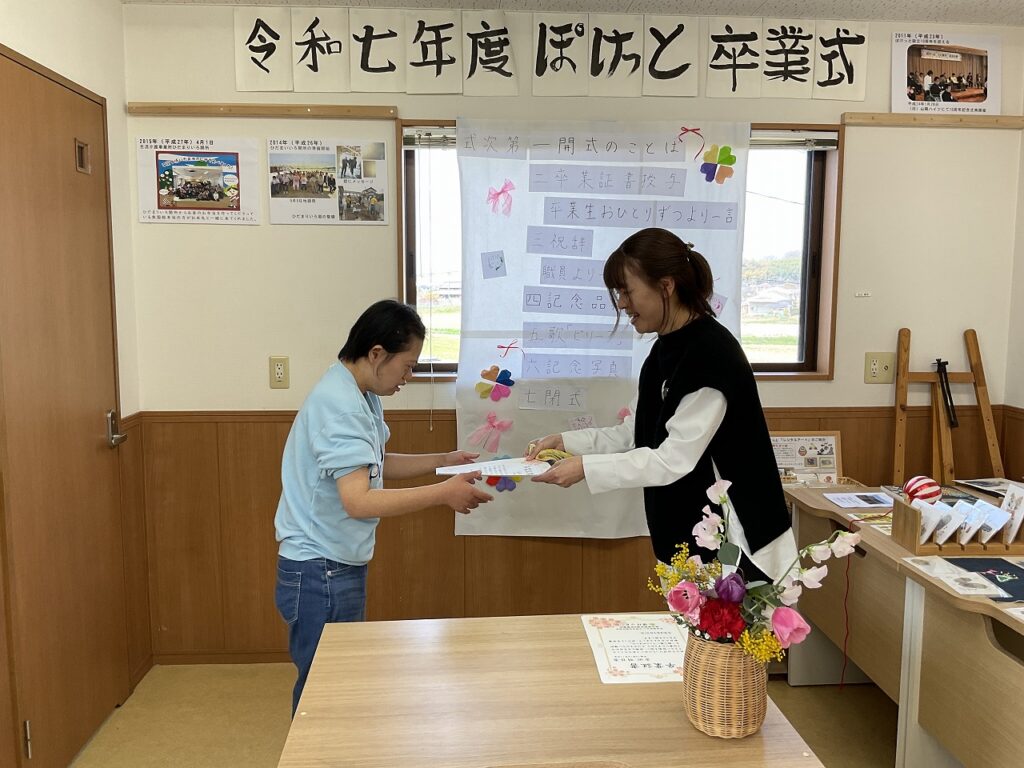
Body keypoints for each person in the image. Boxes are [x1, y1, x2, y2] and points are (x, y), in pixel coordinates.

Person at [525, 228, 797, 584]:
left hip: (739, 541)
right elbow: (636, 432)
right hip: (685, 535)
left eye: (627, 291)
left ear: (666, 285)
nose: (622, 303)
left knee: (726, 620)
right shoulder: (663, 351)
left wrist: (585, 469)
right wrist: (566, 443)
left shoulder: (711, 356)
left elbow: (673, 459)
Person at [274, 299, 493, 714]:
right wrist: (442, 494)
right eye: (407, 366)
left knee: (335, 683)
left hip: (332, 562)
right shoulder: (341, 406)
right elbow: (358, 500)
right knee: (324, 690)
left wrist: (443, 461)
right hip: (319, 568)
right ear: (377, 354)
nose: (409, 377)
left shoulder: (357, 391)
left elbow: (374, 464)